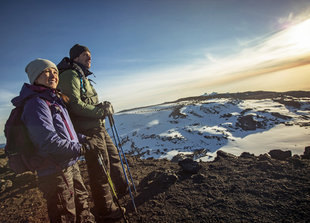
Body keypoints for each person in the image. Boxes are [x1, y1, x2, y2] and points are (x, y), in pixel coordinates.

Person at [12, 58, 95, 222]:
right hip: (54, 171)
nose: (53, 75)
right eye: (46, 71)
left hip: (69, 163)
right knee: (65, 215)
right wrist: (80, 148)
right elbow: (48, 141)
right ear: (36, 77)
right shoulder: (36, 104)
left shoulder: (54, 99)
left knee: (82, 206)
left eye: (55, 71)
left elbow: (67, 132)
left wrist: (84, 139)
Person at [57, 44, 127, 220]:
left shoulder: (82, 76)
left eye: (90, 55)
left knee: (113, 158)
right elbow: (74, 105)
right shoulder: (70, 75)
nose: (89, 57)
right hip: (88, 131)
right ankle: (106, 210)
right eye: (85, 55)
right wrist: (100, 111)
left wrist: (101, 106)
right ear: (75, 58)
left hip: (98, 126)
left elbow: (86, 102)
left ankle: (121, 190)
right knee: (100, 170)